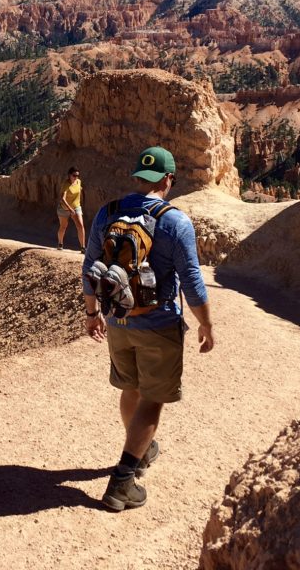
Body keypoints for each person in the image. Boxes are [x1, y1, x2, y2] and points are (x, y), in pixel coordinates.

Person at [81, 146, 214, 512]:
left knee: (131, 388)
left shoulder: (108, 212)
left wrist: (92, 313)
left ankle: (140, 449)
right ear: (167, 180)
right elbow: (192, 282)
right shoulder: (175, 221)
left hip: (118, 320)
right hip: (159, 324)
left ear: (138, 176)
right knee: (152, 399)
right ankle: (122, 482)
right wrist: (206, 324)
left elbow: (89, 267)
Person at [56, 166, 85, 251]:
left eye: (77, 175)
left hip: (76, 206)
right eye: (74, 175)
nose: (76, 177)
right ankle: (60, 243)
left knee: (80, 225)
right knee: (63, 226)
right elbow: (63, 198)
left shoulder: (79, 182)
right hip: (64, 208)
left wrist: (81, 203)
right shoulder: (66, 184)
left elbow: (80, 191)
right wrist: (70, 209)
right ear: (69, 175)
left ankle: (83, 247)